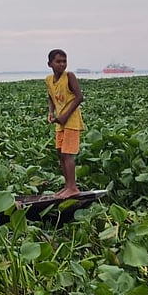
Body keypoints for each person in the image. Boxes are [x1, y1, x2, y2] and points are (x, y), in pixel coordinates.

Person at [45, 49, 84, 199]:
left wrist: (65, 116)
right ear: (50, 64)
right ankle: (67, 186)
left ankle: (73, 187)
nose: (62, 64)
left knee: (68, 154)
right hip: (60, 122)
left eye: (64, 61)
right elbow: (51, 97)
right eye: (58, 61)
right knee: (60, 153)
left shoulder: (69, 76)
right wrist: (51, 113)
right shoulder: (49, 80)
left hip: (71, 120)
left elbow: (79, 97)